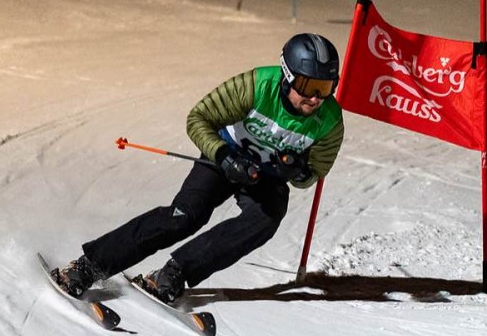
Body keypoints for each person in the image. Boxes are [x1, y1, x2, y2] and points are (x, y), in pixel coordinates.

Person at [52, 33, 345, 304]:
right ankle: (90, 265)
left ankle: (174, 273)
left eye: (325, 88)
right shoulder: (256, 86)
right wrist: (224, 156)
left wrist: (297, 171)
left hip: (266, 176)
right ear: (287, 76)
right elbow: (199, 118)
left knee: (265, 220)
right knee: (185, 216)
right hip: (225, 155)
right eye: (307, 86)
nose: (315, 98)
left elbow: (315, 171)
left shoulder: (329, 121)